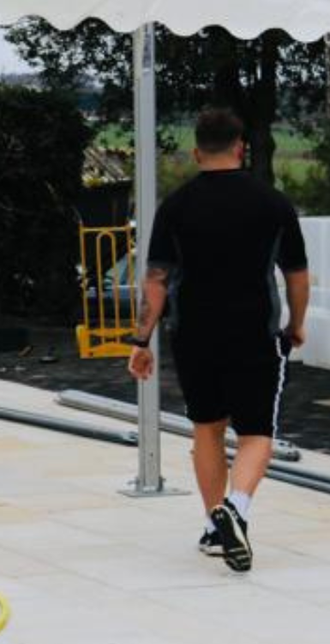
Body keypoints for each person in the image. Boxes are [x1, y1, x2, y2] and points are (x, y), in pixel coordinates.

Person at [128, 106, 308, 573]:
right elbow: (296, 274)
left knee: (206, 427)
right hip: (254, 332)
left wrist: (141, 340)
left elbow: (156, 279)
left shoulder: (176, 206)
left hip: (194, 334)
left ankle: (214, 526)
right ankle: (237, 509)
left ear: (195, 152)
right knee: (255, 433)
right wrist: (297, 323)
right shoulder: (273, 203)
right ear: (240, 147)